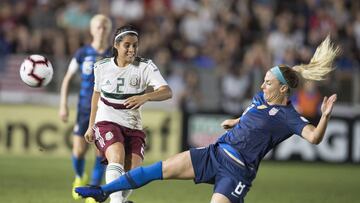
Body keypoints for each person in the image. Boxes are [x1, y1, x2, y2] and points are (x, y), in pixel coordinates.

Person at [76, 36, 339, 203]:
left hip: (237, 172)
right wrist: (234, 122)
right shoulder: (262, 100)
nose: (262, 85)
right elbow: (252, 116)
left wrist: (325, 116)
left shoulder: (287, 116)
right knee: (156, 170)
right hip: (214, 153)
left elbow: (314, 137)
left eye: (268, 82)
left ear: (283, 89)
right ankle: (104, 192)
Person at [82, 24, 172, 203]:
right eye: (127, 45)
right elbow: (96, 96)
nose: (132, 49)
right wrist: (91, 126)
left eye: (135, 45)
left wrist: (146, 96)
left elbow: (167, 91)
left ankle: (120, 201)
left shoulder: (145, 66)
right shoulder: (101, 67)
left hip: (133, 125)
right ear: (116, 45)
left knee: (134, 176)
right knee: (116, 155)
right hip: (107, 120)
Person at [58, 14, 112, 203]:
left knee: (100, 151)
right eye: (98, 26)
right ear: (91, 29)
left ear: (109, 30)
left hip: (105, 110)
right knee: (79, 150)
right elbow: (67, 79)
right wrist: (63, 105)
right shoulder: (82, 53)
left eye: (105, 26)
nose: (101, 29)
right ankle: (79, 176)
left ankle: (93, 190)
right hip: (83, 109)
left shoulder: (113, 54)